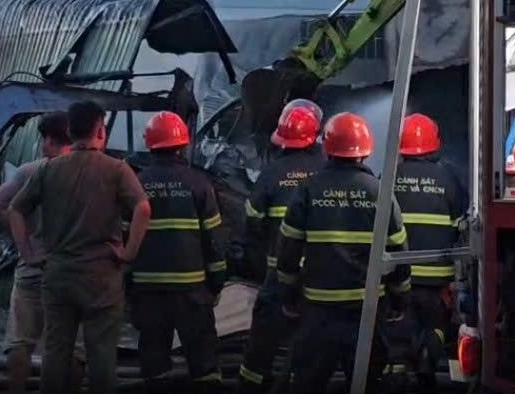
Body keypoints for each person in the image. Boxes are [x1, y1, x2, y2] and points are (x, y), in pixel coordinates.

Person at [9, 101, 151, 394]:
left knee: (55, 353)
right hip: (101, 278)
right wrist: (129, 253)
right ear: (100, 130)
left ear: (71, 131)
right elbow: (143, 208)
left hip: (58, 275)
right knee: (101, 357)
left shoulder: (49, 169)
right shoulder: (117, 169)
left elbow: (14, 209)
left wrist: (28, 254)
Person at [275, 112, 411, 394]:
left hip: (319, 309)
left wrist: (287, 295)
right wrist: (400, 298)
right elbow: (398, 249)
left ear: (327, 147)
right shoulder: (378, 190)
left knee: (309, 382)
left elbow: (288, 247)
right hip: (367, 309)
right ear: (365, 150)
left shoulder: (309, 189)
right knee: (367, 382)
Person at [0, 110, 81, 394]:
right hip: (72, 271)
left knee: (21, 342)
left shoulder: (31, 171)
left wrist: (23, 239)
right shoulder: (87, 172)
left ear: (48, 140)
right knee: (73, 347)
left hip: (33, 267)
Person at [130, 111, 225, 393]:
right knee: (203, 357)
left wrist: (127, 285)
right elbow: (213, 239)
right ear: (183, 144)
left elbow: (125, 236)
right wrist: (217, 282)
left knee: (154, 357)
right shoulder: (199, 184)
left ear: (150, 144)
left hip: (147, 289)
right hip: (192, 289)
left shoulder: (136, 185)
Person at [238, 102, 326, 393]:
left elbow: (252, 224)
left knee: (262, 342)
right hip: (319, 278)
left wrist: (259, 265)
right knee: (314, 342)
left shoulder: (272, 173)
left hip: (277, 275)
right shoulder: (327, 170)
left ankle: (252, 385)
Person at [390, 113, 466, 391]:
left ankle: (396, 371)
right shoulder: (447, 177)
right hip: (437, 275)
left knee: (400, 323)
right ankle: (427, 360)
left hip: (398, 272)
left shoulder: (389, 176)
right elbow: (461, 224)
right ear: (435, 145)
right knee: (436, 322)